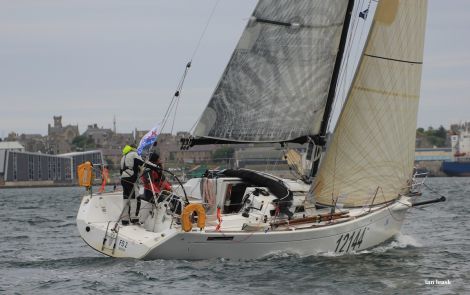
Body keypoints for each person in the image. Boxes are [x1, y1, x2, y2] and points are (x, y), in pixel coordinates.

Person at [120, 144, 147, 225]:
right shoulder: (134, 154)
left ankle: (124, 220)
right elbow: (142, 164)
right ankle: (134, 218)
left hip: (123, 179)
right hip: (131, 178)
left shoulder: (123, 157)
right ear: (134, 149)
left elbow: (121, 170)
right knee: (135, 198)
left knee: (126, 199)